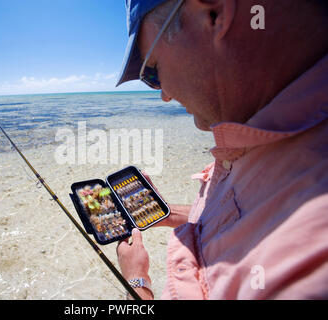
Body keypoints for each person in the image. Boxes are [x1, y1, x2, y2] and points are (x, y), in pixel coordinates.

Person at [116, 0, 328, 300]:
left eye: (152, 71)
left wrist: (136, 281)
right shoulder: (266, 134)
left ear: (215, 13)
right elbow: (245, 216)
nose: (164, 94)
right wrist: (163, 212)